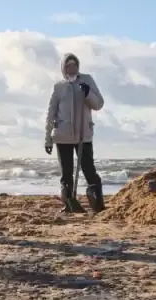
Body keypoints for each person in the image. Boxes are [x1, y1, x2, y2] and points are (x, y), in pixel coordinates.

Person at [44, 53, 106, 213]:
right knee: (66, 173)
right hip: (63, 135)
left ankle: (97, 204)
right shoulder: (59, 87)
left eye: (74, 65)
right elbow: (51, 112)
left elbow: (98, 104)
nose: (71, 69)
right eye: (68, 66)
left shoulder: (87, 80)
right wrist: (48, 138)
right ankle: (69, 204)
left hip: (83, 134)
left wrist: (87, 94)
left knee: (88, 169)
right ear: (63, 68)